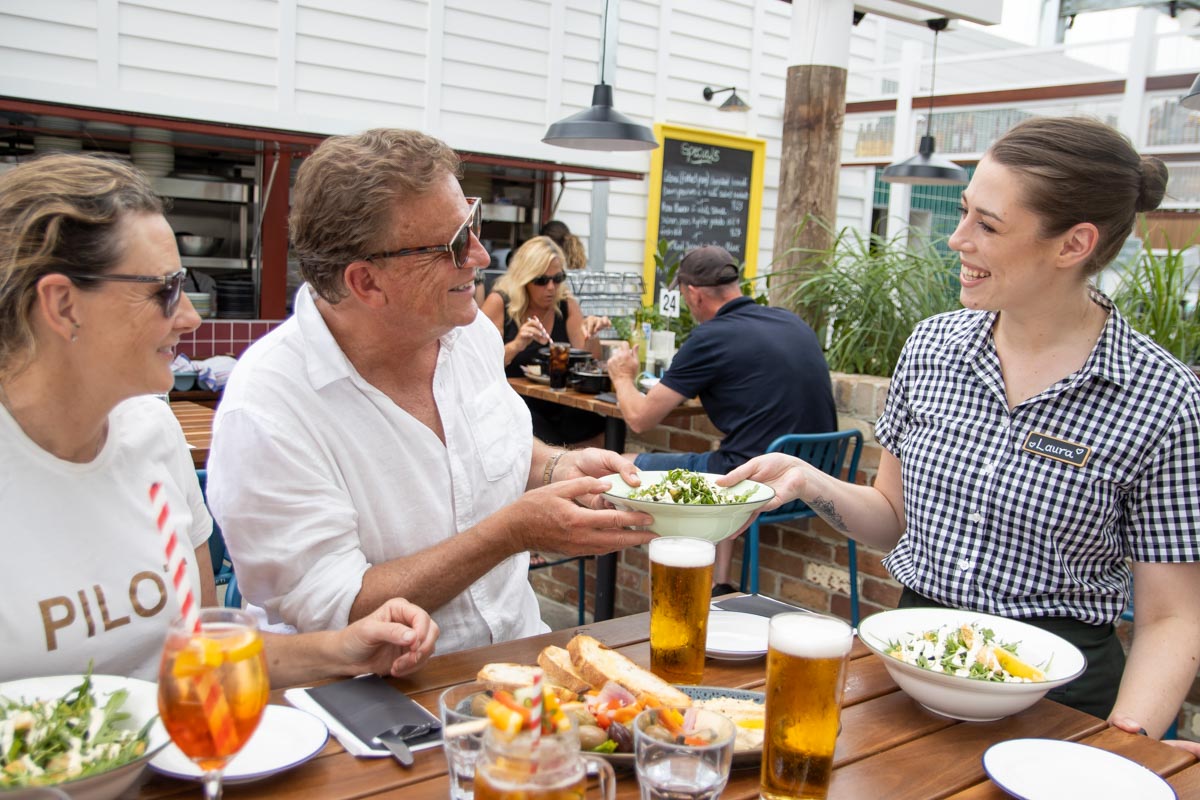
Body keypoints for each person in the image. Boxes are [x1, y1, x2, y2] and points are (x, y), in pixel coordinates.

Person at [723, 116, 1200, 749]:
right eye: (964, 212)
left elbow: (1171, 616)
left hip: (1057, 702)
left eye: (988, 225)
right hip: (910, 666)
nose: (956, 239)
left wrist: (1127, 742)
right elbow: (891, 516)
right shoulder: (931, 348)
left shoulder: (1162, 397)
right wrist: (810, 482)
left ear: (1072, 244)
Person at [206, 129, 655, 654]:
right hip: (374, 705)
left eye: (473, 224)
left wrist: (556, 467)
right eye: (454, 244)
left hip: (522, 660)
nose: (482, 256)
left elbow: (487, 446)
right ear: (366, 282)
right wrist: (511, 533)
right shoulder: (268, 406)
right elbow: (336, 610)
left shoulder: (469, 334)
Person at [0, 153, 439, 684]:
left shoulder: (152, 433)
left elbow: (203, 653)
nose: (190, 316)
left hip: (185, 761)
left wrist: (342, 649)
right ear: (64, 305)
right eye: (163, 290)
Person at [607, 245, 837, 592]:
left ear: (694, 294)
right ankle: (721, 585)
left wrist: (622, 376)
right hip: (819, 479)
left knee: (616, 467)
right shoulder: (790, 320)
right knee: (728, 459)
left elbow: (639, 418)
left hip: (757, 488)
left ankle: (675, 588)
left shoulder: (710, 337)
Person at [481, 235, 610, 446]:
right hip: (513, 404)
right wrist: (517, 344)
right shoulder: (500, 303)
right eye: (541, 280)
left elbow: (589, 360)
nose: (551, 287)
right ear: (524, 279)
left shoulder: (566, 304)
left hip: (558, 403)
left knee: (602, 427)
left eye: (557, 278)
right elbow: (479, 363)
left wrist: (593, 333)